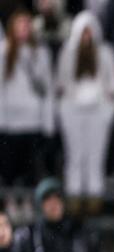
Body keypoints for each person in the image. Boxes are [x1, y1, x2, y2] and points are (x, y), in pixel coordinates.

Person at [55, 11, 114, 215]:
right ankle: (74, 197)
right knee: (75, 155)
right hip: (74, 111)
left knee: (96, 155)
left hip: (98, 111)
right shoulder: (68, 52)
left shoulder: (105, 52)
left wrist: (109, 105)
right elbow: (61, 83)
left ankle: (94, 197)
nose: (87, 37)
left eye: (90, 32)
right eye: (83, 32)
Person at [0, 9, 55, 186]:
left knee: (31, 169)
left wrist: (48, 123)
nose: (24, 28)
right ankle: (11, 203)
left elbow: (47, 89)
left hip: (32, 120)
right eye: (20, 24)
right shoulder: (3, 51)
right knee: (9, 168)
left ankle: (28, 202)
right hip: (9, 122)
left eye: (27, 24)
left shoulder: (40, 53)